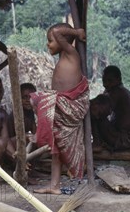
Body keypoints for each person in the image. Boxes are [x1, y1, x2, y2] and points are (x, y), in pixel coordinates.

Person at [31, 23, 89, 195]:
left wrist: (77, 32)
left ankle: (38, 134)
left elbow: (56, 31)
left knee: (36, 98)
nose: (48, 44)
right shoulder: (64, 57)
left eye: (50, 41)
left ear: (62, 41)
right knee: (56, 149)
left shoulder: (72, 54)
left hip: (69, 108)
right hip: (60, 106)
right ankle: (54, 185)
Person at [90, 65, 130, 152]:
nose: (106, 84)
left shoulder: (118, 91)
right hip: (121, 137)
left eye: (110, 81)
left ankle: (97, 143)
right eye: (104, 81)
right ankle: (97, 142)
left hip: (123, 139)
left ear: (118, 79)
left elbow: (101, 109)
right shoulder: (113, 91)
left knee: (94, 112)